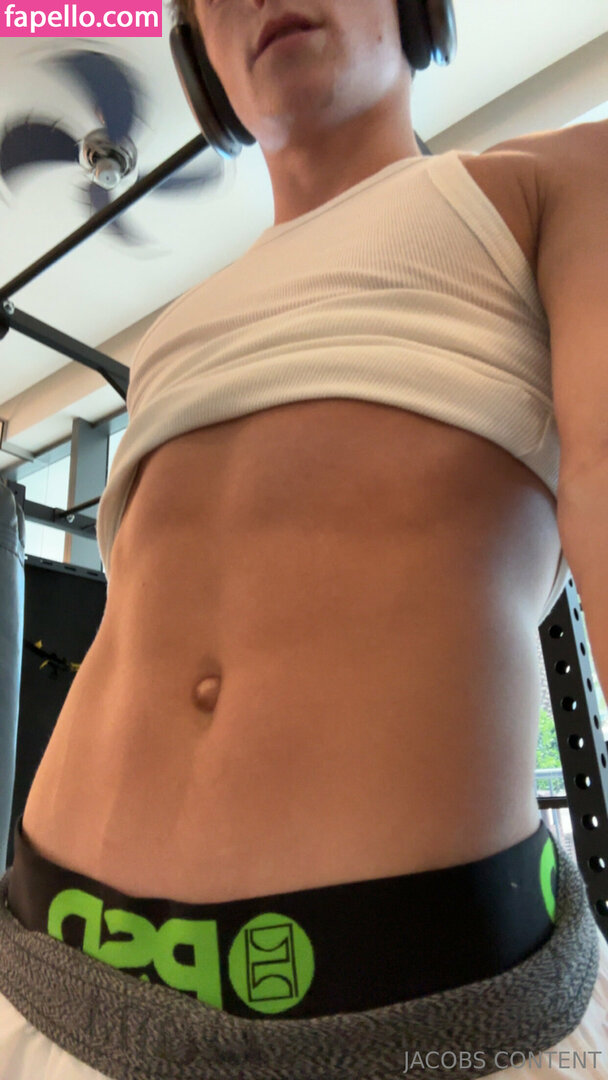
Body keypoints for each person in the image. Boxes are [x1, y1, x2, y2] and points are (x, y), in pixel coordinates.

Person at [1, 1, 608, 1077]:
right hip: (47, 973)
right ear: (200, 56)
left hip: (425, 1016)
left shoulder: (552, 182)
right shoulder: (173, 331)